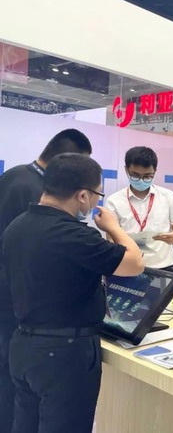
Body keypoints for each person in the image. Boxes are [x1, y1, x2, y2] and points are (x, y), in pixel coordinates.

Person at [1, 153, 144, 433]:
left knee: (25, 424)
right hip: (64, 354)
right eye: (97, 195)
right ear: (82, 195)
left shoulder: (17, 227)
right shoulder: (74, 235)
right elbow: (135, 263)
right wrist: (113, 227)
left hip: (22, 346)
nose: (95, 202)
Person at [0, 128, 92, 433]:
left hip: (11, 300)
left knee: (12, 389)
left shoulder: (13, 176)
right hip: (22, 308)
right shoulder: (39, 194)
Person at [104, 146, 173, 270]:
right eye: (135, 175)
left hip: (163, 268)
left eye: (147, 176)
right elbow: (111, 240)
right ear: (126, 170)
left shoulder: (169, 197)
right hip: (128, 268)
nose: (141, 180)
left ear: (155, 171)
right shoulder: (114, 201)